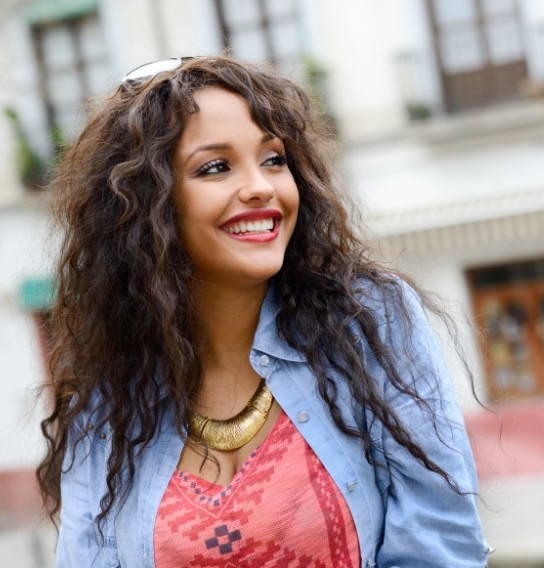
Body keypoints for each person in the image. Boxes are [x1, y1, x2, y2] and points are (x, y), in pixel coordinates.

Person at [38, 55, 491, 567]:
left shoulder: (369, 322)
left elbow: (440, 544)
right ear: (146, 208)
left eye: (274, 159)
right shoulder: (108, 402)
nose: (260, 186)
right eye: (215, 167)